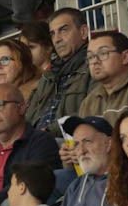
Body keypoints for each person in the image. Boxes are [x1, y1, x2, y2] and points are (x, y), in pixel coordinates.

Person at [26, 9, 91, 138]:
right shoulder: (48, 75)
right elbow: (28, 117)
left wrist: (50, 131)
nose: (57, 39)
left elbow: (92, 111)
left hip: (69, 141)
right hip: (37, 142)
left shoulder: (94, 66)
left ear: (83, 32)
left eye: (63, 30)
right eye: (52, 34)